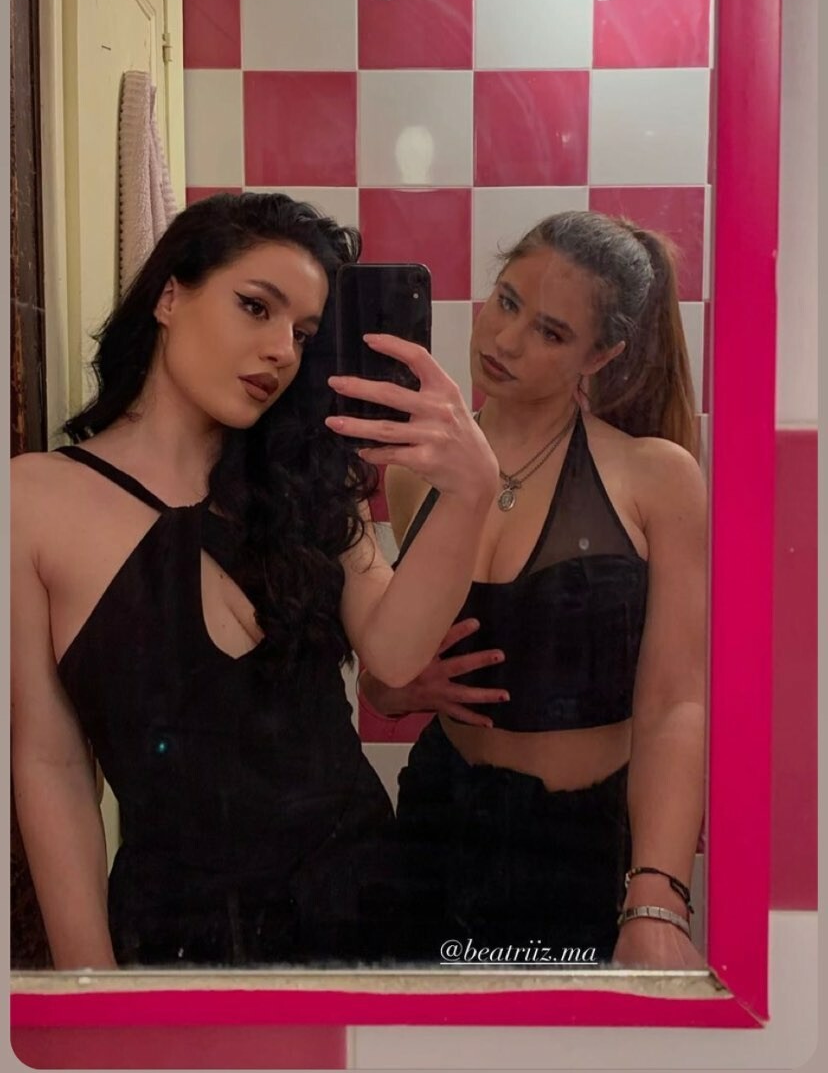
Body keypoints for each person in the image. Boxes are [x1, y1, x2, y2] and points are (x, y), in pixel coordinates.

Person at [11, 192, 498, 970]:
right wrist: (88, 980)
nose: (281, 351)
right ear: (171, 295)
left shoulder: (306, 481)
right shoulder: (33, 500)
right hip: (173, 936)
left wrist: (472, 493)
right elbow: (51, 763)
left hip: (363, 908)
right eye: (255, 307)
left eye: (302, 333)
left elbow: (396, 653)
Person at [358, 211, 708, 971]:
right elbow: (391, 659)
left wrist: (658, 895)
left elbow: (676, 700)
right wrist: (393, 686)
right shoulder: (416, 473)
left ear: (601, 355)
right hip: (437, 814)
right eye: (507, 301)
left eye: (551, 332)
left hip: (579, 842)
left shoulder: (656, 476)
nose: (506, 340)